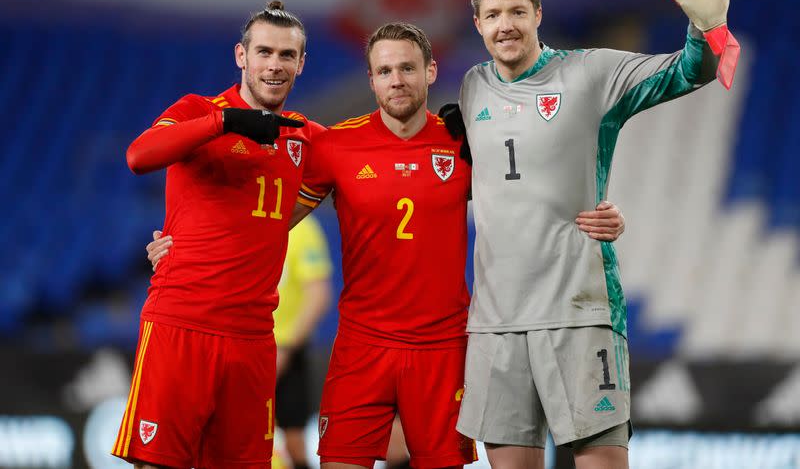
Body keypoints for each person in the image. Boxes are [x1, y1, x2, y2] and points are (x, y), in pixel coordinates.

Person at [146, 23, 626, 468]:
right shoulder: (334, 146)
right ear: (371, 80)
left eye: (407, 68)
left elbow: (534, 197)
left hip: (442, 348)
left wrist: (599, 213)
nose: (396, 80)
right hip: (361, 346)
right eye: (384, 70)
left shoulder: (467, 144)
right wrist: (182, 245)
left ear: (430, 72)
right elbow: (265, 221)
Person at [446, 0, 737, 469]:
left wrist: (703, 27)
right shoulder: (471, 88)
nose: (505, 25)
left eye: (516, 12)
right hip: (497, 324)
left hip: (579, 313)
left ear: (538, 15)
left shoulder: (590, 74)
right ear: (478, 23)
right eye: (493, 15)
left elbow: (688, 72)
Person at [114, 0, 325, 469]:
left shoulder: (306, 137)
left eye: (286, 55)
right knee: (158, 462)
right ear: (241, 56)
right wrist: (224, 122)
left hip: (253, 340)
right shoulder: (198, 110)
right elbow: (138, 156)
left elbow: (371, 167)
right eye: (264, 52)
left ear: (301, 63)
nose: (274, 65)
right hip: (182, 324)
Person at [273, 214, 333, 469]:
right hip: (240, 349)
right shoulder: (239, 218)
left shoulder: (301, 228)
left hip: (284, 351)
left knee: (292, 441)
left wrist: (286, 347)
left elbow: (318, 294)